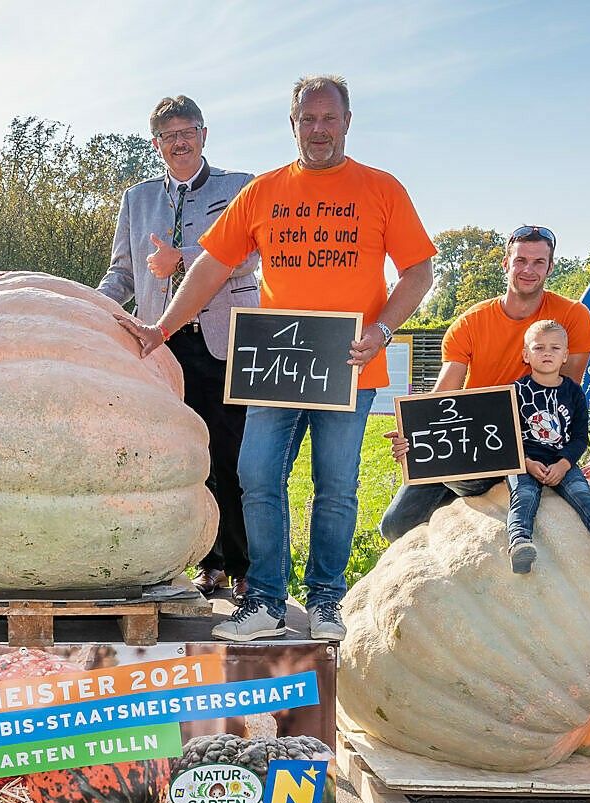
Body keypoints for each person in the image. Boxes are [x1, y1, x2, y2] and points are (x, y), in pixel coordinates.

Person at [115, 74, 435, 642]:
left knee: (335, 487)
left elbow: (417, 272)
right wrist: (162, 327)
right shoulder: (264, 191)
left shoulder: (382, 188)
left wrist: (384, 329)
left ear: (346, 122)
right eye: (307, 119)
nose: (318, 130)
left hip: (351, 362)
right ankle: (262, 598)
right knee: (255, 476)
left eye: (328, 118)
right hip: (274, 360)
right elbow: (213, 264)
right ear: (292, 125)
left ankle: (327, 603)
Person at [97, 95, 259, 599]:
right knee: (180, 458)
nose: (180, 142)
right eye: (169, 136)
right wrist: (94, 308)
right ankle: (203, 562)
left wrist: (182, 259)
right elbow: (123, 272)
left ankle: (245, 566)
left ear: (205, 135)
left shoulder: (241, 188)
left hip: (224, 343)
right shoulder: (136, 198)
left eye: (188, 131)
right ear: (156, 144)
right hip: (160, 349)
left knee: (233, 458)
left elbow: (248, 254)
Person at [379, 224, 590, 542]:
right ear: (506, 263)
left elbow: (565, 392)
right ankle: (461, 496)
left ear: (550, 267)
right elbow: (446, 390)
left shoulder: (574, 316)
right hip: (471, 434)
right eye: (521, 260)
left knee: (474, 493)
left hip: (533, 434)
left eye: (538, 262)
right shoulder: (471, 321)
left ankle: (471, 498)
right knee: (396, 525)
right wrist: (415, 431)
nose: (528, 269)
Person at [505, 320, 590, 573]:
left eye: (554, 348)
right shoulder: (516, 391)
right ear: (525, 355)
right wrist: (526, 462)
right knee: (525, 495)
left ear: (565, 355)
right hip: (525, 461)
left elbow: (580, 436)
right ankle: (520, 542)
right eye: (539, 348)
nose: (547, 353)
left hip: (562, 460)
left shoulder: (573, 392)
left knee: (582, 491)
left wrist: (564, 463)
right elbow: (507, 434)